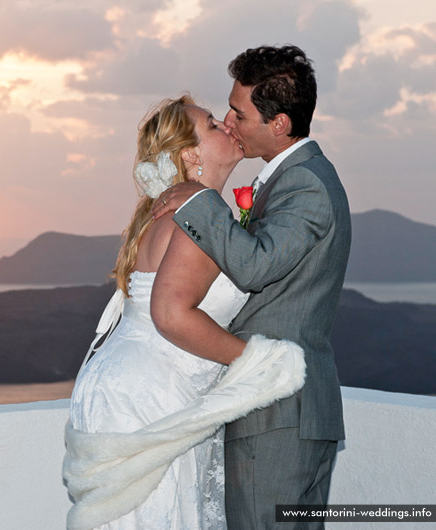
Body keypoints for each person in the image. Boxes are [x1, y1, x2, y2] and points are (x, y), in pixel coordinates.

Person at [63, 95, 306, 530]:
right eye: (212, 123)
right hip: (148, 395)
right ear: (190, 154)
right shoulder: (192, 221)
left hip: (142, 385)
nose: (228, 124)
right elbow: (171, 316)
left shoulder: (189, 213)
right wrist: (259, 363)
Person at [153, 45, 351, 529]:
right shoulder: (289, 180)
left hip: (280, 417)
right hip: (285, 413)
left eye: (238, 112)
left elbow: (256, 267)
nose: (228, 119)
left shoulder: (305, 184)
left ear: (279, 123)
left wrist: (201, 200)